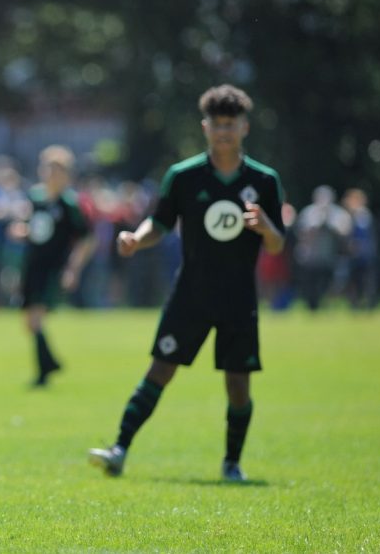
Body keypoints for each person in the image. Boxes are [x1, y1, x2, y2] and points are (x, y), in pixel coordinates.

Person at [88, 84, 285, 481]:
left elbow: (278, 244)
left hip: (238, 296)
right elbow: (159, 223)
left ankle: (232, 463)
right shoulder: (183, 176)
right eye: (217, 124)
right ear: (205, 126)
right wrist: (135, 239)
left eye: (231, 124)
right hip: (191, 292)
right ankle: (119, 448)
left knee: (238, 385)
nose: (224, 131)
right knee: (159, 370)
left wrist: (265, 227)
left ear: (244, 127)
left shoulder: (264, 180)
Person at [9, 145, 95, 386]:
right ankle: (51, 363)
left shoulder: (70, 204)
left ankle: (43, 374)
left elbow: (86, 238)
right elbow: (27, 224)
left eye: (56, 170)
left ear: (67, 174)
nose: (51, 175)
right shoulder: (35, 197)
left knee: (35, 317)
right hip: (32, 264)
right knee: (29, 321)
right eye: (48, 169)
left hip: (53, 267)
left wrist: (72, 268)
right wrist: (20, 230)